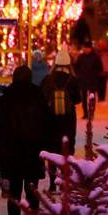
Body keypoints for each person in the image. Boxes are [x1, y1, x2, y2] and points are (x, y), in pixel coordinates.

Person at [0, 63, 49, 215]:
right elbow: (46, 123)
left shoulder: (7, 96)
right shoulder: (38, 95)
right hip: (32, 152)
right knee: (32, 191)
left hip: (11, 153)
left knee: (14, 193)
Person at [40, 49, 80, 177]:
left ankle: (52, 181)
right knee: (66, 146)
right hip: (68, 119)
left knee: (52, 147)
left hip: (50, 118)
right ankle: (65, 178)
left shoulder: (48, 79)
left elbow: (43, 97)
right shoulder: (72, 79)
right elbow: (78, 99)